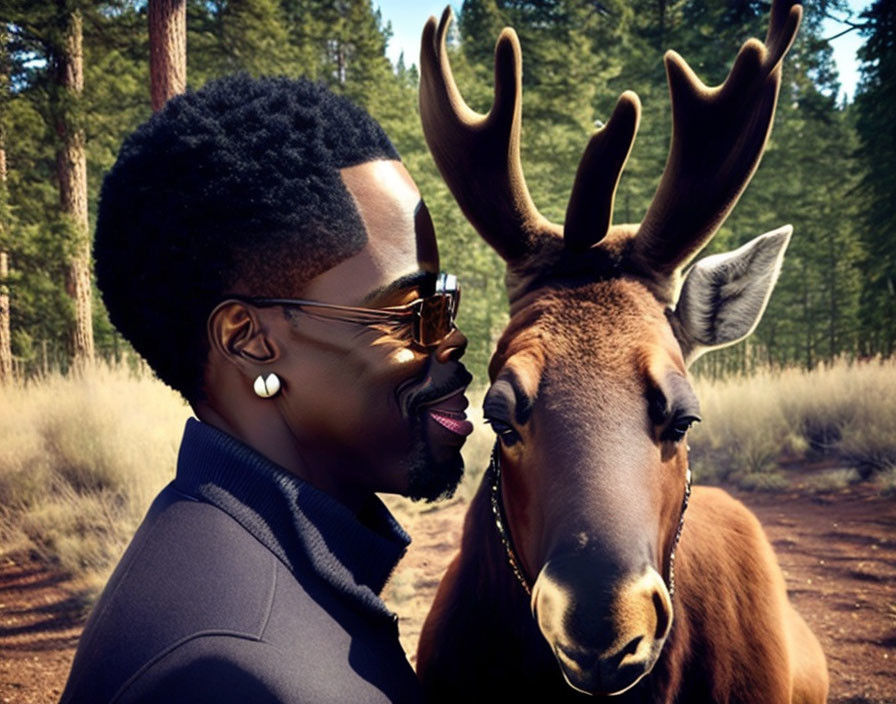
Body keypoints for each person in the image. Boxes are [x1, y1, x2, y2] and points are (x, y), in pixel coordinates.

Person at [59, 74, 473, 703]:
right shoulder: (229, 672)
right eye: (410, 314)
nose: (452, 340)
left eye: (445, 302)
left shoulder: (246, 573)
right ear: (248, 339)